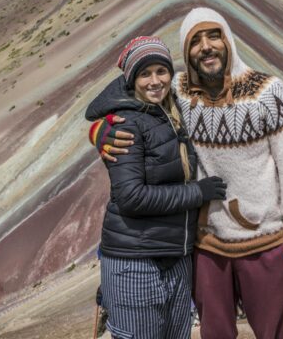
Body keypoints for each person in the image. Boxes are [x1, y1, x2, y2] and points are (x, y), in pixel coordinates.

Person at [90, 9, 283, 339]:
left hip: (266, 243)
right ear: (186, 53)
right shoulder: (179, 92)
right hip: (206, 247)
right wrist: (98, 131)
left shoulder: (269, 92)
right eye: (195, 41)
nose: (206, 47)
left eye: (214, 36)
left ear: (228, 40)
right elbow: (128, 94)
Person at [85, 35, 227, 339]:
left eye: (161, 71)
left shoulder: (171, 113)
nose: (154, 81)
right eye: (144, 73)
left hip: (175, 257)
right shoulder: (125, 123)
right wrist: (198, 193)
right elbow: (131, 198)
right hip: (135, 262)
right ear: (131, 79)